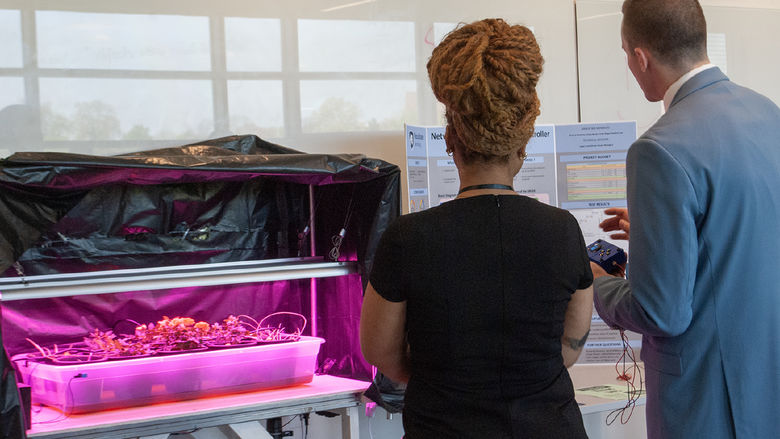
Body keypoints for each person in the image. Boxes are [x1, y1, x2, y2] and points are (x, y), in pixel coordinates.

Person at [360, 18, 594, 438]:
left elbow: (382, 354)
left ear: (450, 138)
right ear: (524, 141)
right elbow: (569, 348)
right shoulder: (563, 230)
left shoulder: (407, 238)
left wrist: (449, 380)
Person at [592, 1, 780, 438]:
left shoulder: (658, 148)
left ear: (640, 57)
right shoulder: (769, 114)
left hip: (709, 400)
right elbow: (747, 236)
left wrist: (596, 282)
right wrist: (656, 238)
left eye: (625, 55)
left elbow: (661, 312)